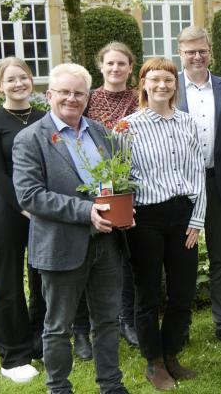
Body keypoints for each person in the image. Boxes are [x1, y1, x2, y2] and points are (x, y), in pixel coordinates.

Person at [12, 63, 131, 394]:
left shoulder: (101, 133)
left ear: (87, 96)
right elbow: (31, 196)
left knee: (107, 320)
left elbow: (119, 181)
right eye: (64, 92)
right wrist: (86, 211)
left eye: (78, 93)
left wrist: (127, 208)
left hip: (106, 243)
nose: (71, 99)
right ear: (49, 95)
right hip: (61, 245)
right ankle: (59, 388)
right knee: (58, 326)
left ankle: (111, 385)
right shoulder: (30, 139)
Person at [123, 57, 208, 390]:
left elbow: (197, 173)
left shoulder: (188, 123)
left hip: (183, 216)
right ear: (143, 84)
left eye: (168, 81)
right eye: (155, 80)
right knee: (146, 294)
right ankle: (154, 362)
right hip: (145, 219)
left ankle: (171, 353)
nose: (162, 86)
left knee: (182, 292)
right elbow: (120, 178)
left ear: (176, 85)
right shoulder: (128, 126)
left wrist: (197, 219)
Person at [173, 26, 221, 348]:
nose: (196, 56)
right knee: (180, 260)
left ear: (210, 52)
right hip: (180, 189)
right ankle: (180, 327)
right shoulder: (169, 89)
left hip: (220, 185)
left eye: (201, 50)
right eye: (190, 51)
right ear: (180, 53)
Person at [0, 57, 47, 384]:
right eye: (11, 80)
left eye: (23, 77)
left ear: (31, 81)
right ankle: (13, 356)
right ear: (0, 86)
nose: (19, 84)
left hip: (43, 210)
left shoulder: (44, 118)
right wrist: (25, 206)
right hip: (9, 211)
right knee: (6, 283)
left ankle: (39, 343)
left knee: (42, 279)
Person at [82, 41, 141, 351]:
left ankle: (128, 320)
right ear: (101, 66)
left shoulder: (139, 99)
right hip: (95, 185)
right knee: (98, 256)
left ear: (130, 68)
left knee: (131, 258)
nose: (116, 69)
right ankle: (97, 324)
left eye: (122, 64)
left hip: (134, 183)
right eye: (110, 63)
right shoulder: (88, 100)